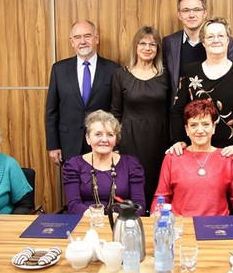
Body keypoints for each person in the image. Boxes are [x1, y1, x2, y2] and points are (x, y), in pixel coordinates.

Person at [170, 16, 233, 162]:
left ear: (228, 40)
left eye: (221, 36)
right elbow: (177, 111)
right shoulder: (190, 71)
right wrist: (179, 141)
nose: (216, 40)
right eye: (210, 36)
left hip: (232, 154)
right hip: (196, 152)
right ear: (203, 41)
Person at [154, 100, 233, 217]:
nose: (200, 130)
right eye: (193, 125)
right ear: (187, 130)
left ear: (213, 127)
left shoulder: (227, 158)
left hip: (217, 225)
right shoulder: (173, 157)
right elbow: (162, 196)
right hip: (182, 224)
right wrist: (156, 214)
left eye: (205, 124)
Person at [111, 26, 170, 211]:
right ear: (135, 47)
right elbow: (115, 112)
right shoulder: (121, 74)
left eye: (152, 44)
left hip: (159, 139)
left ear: (158, 49)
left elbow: (172, 110)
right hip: (129, 139)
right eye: (142, 43)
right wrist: (115, 144)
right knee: (132, 183)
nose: (147, 48)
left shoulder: (166, 74)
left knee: (157, 183)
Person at [45, 20, 119, 165]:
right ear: (72, 42)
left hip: (102, 143)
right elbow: (51, 111)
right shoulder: (59, 70)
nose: (83, 41)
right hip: (68, 144)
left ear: (96, 39)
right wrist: (53, 145)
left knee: (102, 180)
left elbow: (117, 110)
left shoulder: (113, 69)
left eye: (87, 36)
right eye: (77, 37)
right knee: (72, 180)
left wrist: (116, 144)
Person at [62, 110, 145, 216]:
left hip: (121, 221)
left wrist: (121, 217)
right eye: (98, 134)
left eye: (110, 135)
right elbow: (73, 205)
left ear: (116, 139)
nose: (104, 140)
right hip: (86, 220)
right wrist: (97, 216)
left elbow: (139, 205)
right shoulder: (73, 165)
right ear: (88, 138)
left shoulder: (131, 165)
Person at [163, 0, 233, 105]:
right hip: (181, 110)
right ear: (179, 15)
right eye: (185, 10)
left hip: (215, 108)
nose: (191, 15)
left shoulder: (222, 42)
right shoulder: (169, 43)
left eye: (197, 10)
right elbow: (166, 83)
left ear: (205, 13)